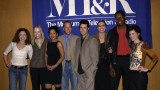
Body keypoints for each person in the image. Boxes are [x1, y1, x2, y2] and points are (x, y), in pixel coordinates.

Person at [107, 10, 131, 90]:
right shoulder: (111, 33)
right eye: (117, 18)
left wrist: (146, 44)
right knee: (113, 86)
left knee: (127, 86)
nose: (119, 19)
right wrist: (110, 66)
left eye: (120, 17)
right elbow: (108, 51)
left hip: (129, 61)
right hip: (116, 61)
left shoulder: (131, 30)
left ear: (125, 17)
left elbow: (140, 42)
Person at [129, 25, 158, 90]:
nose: (131, 36)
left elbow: (155, 57)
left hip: (140, 76)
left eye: (133, 33)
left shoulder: (144, 45)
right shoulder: (131, 45)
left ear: (138, 34)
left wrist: (147, 68)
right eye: (130, 34)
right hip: (131, 75)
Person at [74, 19, 99, 90]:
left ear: (88, 28)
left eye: (84, 27)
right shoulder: (78, 40)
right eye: (81, 27)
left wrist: (91, 71)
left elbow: (95, 59)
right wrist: (75, 69)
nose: (82, 29)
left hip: (88, 73)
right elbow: (77, 56)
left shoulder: (92, 40)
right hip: (79, 73)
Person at [58, 21, 78, 90]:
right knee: (64, 86)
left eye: (69, 27)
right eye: (66, 27)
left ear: (71, 28)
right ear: (63, 28)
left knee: (74, 86)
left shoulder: (77, 39)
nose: (68, 29)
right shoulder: (59, 39)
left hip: (74, 65)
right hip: (63, 65)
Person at [44, 26, 64, 90]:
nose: (52, 35)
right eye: (50, 33)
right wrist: (46, 65)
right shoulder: (47, 43)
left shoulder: (59, 43)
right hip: (48, 68)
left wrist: (55, 66)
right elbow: (46, 55)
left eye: (54, 33)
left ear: (57, 34)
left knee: (57, 87)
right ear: (49, 35)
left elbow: (63, 56)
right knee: (47, 86)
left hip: (57, 68)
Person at [94, 20, 111, 90]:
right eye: (99, 25)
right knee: (97, 85)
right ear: (97, 28)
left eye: (103, 25)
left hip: (107, 66)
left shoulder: (110, 38)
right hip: (96, 66)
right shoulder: (93, 39)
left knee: (107, 85)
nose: (101, 27)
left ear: (105, 27)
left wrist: (112, 51)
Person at [30, 25, 48, 90]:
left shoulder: (46, 41)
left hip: (44, 67)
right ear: (33, 33)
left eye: (38, 31)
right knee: (35, 87)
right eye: (35, 32)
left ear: (41, 32)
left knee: (44, 87)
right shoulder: (31, 42)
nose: (37, 33)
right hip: (33, 68)